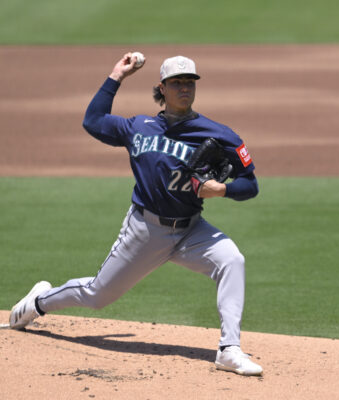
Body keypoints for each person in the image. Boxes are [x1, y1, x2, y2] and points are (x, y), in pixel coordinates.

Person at [9, 52, 262, 376]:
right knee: (97, 295)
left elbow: (251, 183)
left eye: (189, 82)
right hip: (145, 230)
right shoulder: (139, 127)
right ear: (162, 87)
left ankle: (229, 349)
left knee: (232, 260)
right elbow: (93, 121)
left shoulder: (220, 134)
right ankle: (39, 302)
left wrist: (223, 190)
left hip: (191, 230)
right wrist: (117, 75)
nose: (184, 88)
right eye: (177, 82)